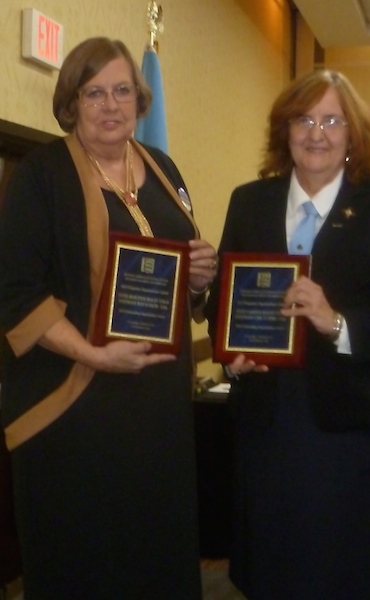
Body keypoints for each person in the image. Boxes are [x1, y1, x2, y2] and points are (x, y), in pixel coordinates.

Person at [0, 37, 218, 599]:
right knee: (88, 557)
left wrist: (200, 275)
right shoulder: (40, 176)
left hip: (158, 409)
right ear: (71, 102)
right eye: (93, 92)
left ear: (140, 100)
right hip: (77, 405)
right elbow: (16, 291)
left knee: (155, 549)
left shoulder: (164, 167)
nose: (110, 104)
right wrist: (95, 353)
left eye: (122, 90)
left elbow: (187, 274)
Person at [205, 69, 370, 600]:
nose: (317, 133)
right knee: (270, 565)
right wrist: (231, 352)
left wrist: (338, 323)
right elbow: (226, 300)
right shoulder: (249, 201)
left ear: (352, 134)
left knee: (339, 569)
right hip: (267, 421)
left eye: (331, 120)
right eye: (304, 119)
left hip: (350, 427)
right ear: (285, 130)